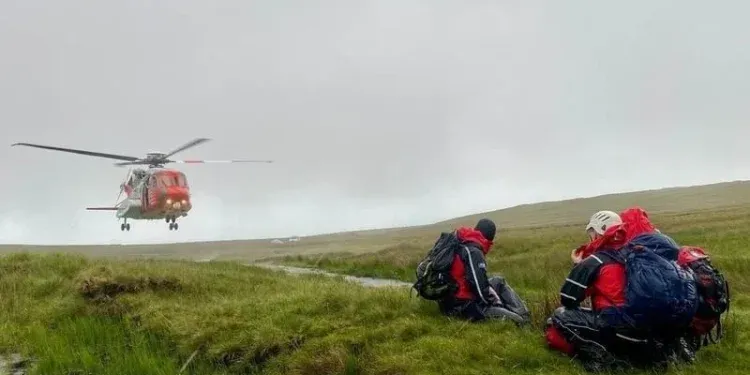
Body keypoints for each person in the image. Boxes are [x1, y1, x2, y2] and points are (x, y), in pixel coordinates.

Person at [545, 207, 694, 371]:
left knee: (560, 317)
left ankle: (606, 360)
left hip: (623, 328)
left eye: (592, 232)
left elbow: (568, 299)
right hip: (654, 327)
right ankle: (665, 353)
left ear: (599, 233)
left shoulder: (596, 260)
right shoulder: (637, 252)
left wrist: (578, 266)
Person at [436, 218, 531, 326]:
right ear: (490, 238)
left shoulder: (462, 242)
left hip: (449, 301)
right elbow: (478, 288)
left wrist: (489, 289)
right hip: (463, 307)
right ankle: (524, 319)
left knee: (498, 281)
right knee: (517, 320)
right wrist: (496, 303)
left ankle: (522, 313)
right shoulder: (474, 252)